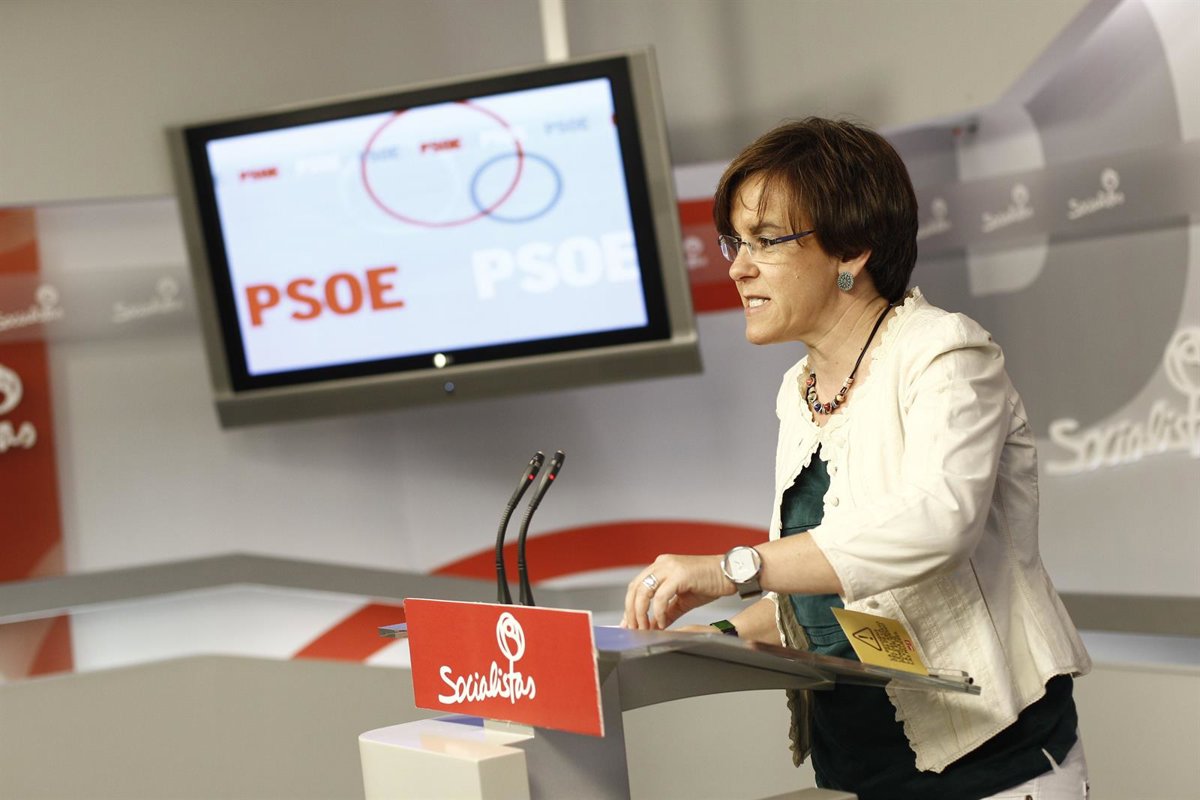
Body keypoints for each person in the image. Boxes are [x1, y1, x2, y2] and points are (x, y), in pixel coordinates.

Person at [622, 118, 1092, 799]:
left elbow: (937, 522)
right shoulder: (799, 391)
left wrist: (731, 569)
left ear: (851, 250)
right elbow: (829, 600)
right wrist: (699, 637)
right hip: (860, 771)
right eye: (735, 242)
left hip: (994, 768)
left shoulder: (945, 352)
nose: (737, 267)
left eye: (765, 240)